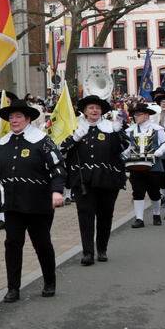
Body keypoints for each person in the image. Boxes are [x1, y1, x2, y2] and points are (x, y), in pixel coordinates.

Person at [0, 93, 64, 300]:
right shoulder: (3, 143)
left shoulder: (42, 141)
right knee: (12, 245)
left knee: (42, 244)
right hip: (13, 205)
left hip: (38, 204)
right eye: (11, 117)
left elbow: (58, 167)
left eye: (19, 117)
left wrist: (57, 191)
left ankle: (49, 282)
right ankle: (13, 288)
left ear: (28, 119)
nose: (14, 121)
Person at [62, 94, 127, 266]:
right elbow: (61, 149)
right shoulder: (76, 127)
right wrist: (74, 138)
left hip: (107, 179)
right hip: (83, 180)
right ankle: (88, 252)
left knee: (105, 215)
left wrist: (118, 131)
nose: (94, 110)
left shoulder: (109, 128)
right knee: (85, 216)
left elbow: (122, 147)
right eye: (91, 108)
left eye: (97, 108)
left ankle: (102, 249)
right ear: (85, 111)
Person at [123, 103, 165, 227]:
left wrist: (159, 152)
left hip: (153, 165)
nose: (136, 117)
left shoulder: (157, 129)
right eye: (135, 115)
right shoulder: (130, 130)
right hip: (135, 164)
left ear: (146, 115)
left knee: (154, 192)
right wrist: (124, 154)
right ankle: (139, 218)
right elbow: (127, 146)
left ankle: (156, 214)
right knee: (137, 192)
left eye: (139, 115)